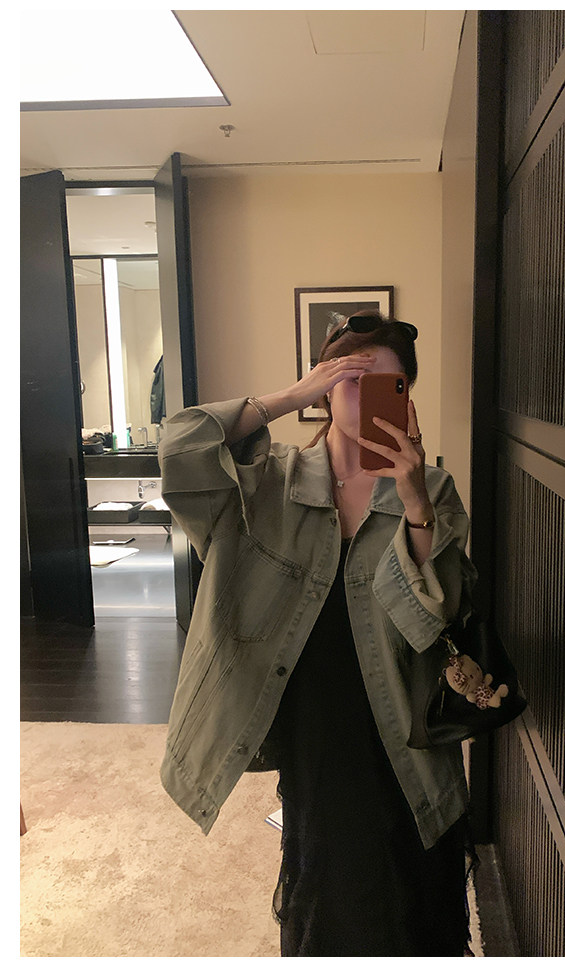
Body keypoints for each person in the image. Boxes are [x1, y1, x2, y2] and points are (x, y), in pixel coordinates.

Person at [158, 311, 478, 956]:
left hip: (404, 714)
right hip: (314, 721)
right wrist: (289, 396)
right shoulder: (265, 483)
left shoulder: (431, 487)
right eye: (349, 378)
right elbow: (180, 447)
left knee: (419, 873)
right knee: (330, 877)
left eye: (386, 384)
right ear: (324, 386)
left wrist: (414, 501)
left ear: (406, 397)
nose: (363, 395)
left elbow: (437, 617)